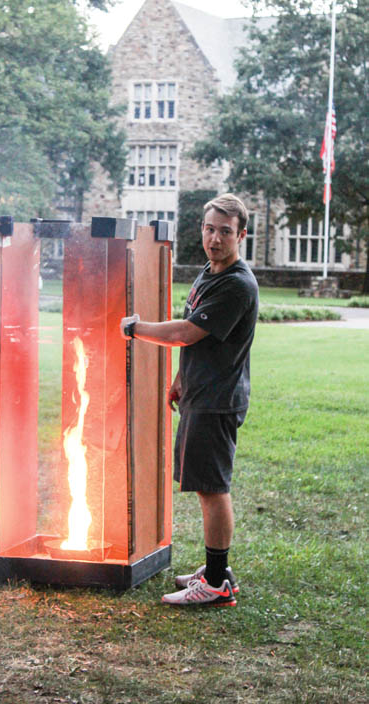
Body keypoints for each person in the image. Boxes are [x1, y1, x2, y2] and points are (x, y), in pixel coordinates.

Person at [120, 193, 259, 607]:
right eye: (210, 229)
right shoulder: (210, 271)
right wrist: (183, 376)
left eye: (226, 232)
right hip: (201, 392)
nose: (215, 239)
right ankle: (217, 570)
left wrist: (136, 329)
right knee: (204, 485)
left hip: (217, 401)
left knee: (212, 489)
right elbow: (202, 337)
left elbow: (185, 332)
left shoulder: (236, 284)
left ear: (242, 235)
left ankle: (216, 583)